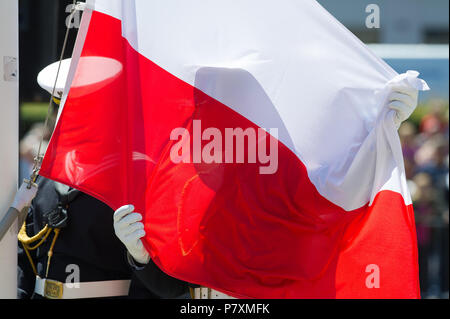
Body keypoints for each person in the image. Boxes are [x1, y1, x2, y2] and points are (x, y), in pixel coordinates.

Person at [113, 81, 422, 299]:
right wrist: (140, 256)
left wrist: (380, 126)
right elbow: (172, 287)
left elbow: (340, 204)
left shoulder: (289, 178)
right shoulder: (185, 186)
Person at [18, 59, 191, 299]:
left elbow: (172, 288)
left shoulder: (138, 180)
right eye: (67, 108)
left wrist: (141, 259)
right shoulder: (46, 178)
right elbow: (24, 260)